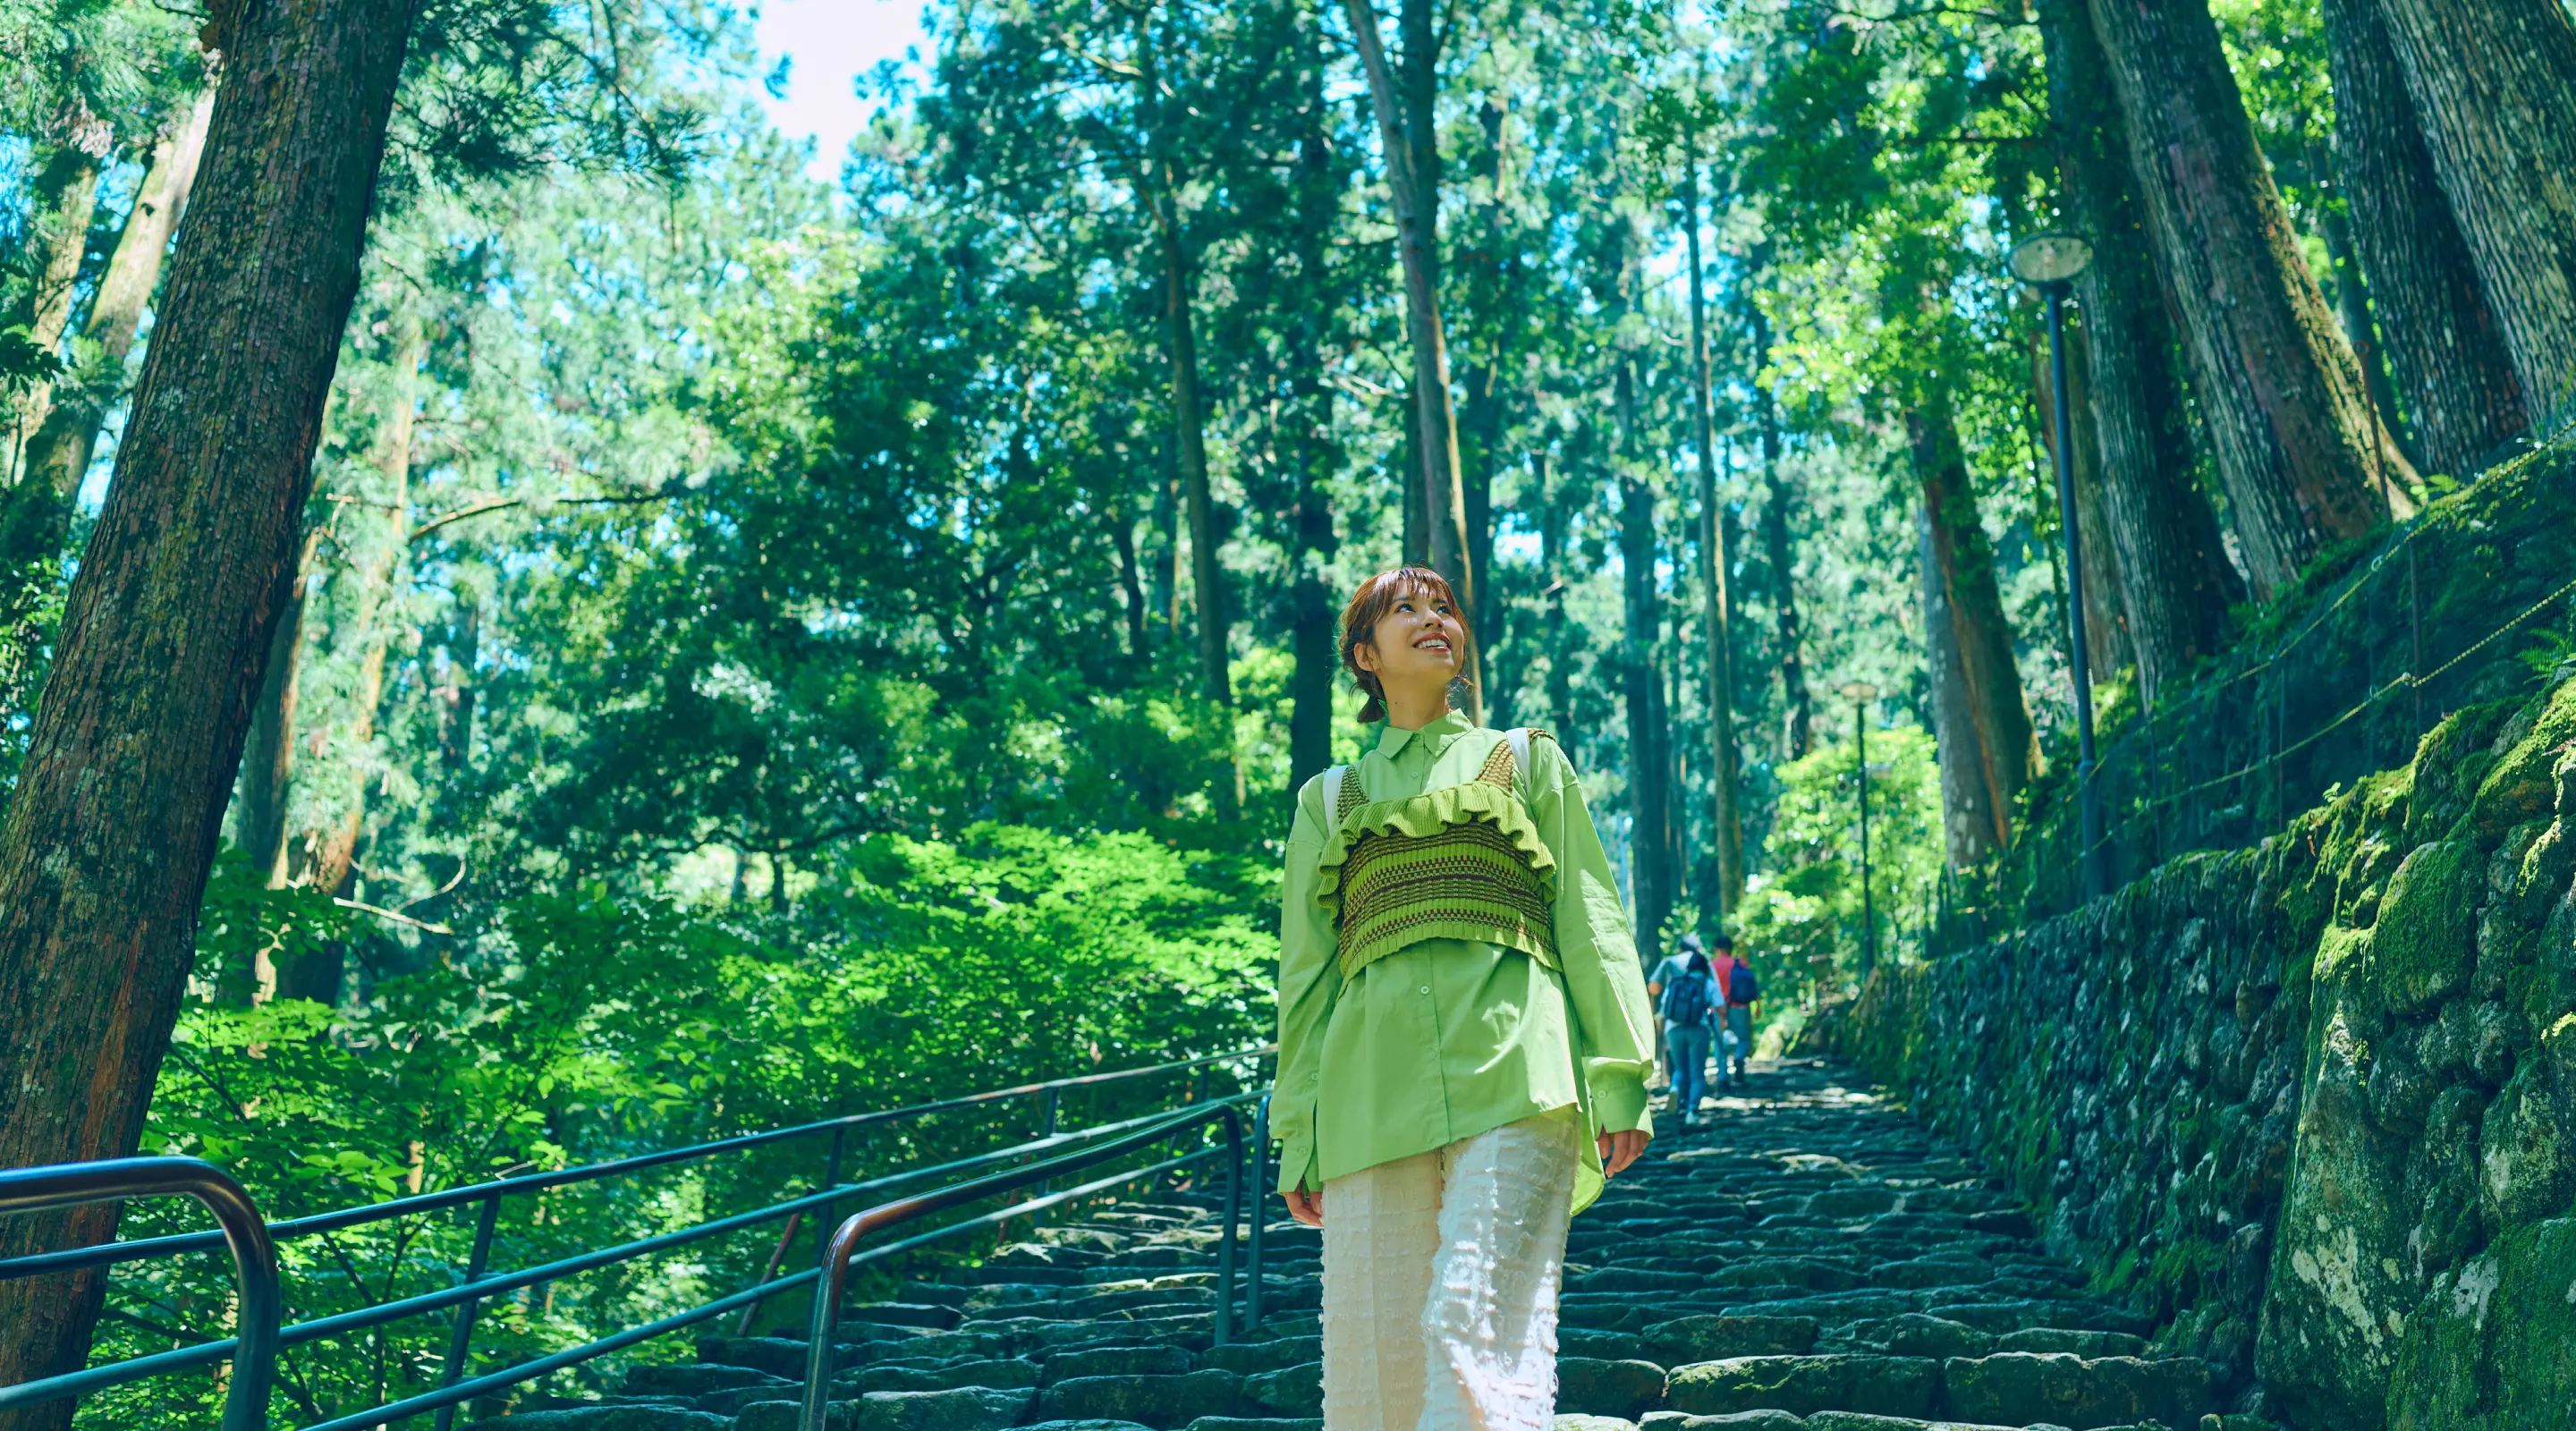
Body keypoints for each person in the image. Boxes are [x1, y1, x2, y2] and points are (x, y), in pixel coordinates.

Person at [1271, 566, 1657, 1431]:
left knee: (1474, 1326)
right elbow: (1307, 979)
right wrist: (1297, 1131)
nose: (1433, 619)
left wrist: (1621, 1072)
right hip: (1365, 1098)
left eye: (1443, 607)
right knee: (1374, 1366)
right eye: (1404, 609)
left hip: (1518, 1071)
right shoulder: (1328, 801)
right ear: (1366, 655)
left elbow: (1591, 922)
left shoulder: (1524, 761)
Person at [1659, 948, 1718, 1128]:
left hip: (1674, 1029)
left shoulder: (1676, 982)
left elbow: (1664, 1010)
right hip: (1698, 1029)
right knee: (1697, 1071)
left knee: (1680, 1068)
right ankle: (1692, 1111)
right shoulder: (1707, 983)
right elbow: (1721, 1007)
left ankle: (1675, 1089)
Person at [1716, 940, 1759, 1084]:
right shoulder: (1740, 963)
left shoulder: (1712, 965)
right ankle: (1739, 1058)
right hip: (1739, 1007)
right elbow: (1751, 985)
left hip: (1718, 1009)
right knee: (1744, 1039)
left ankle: (1723, 1077)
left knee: (1719, 1042)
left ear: (1717, 949)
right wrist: (1758, 1005)